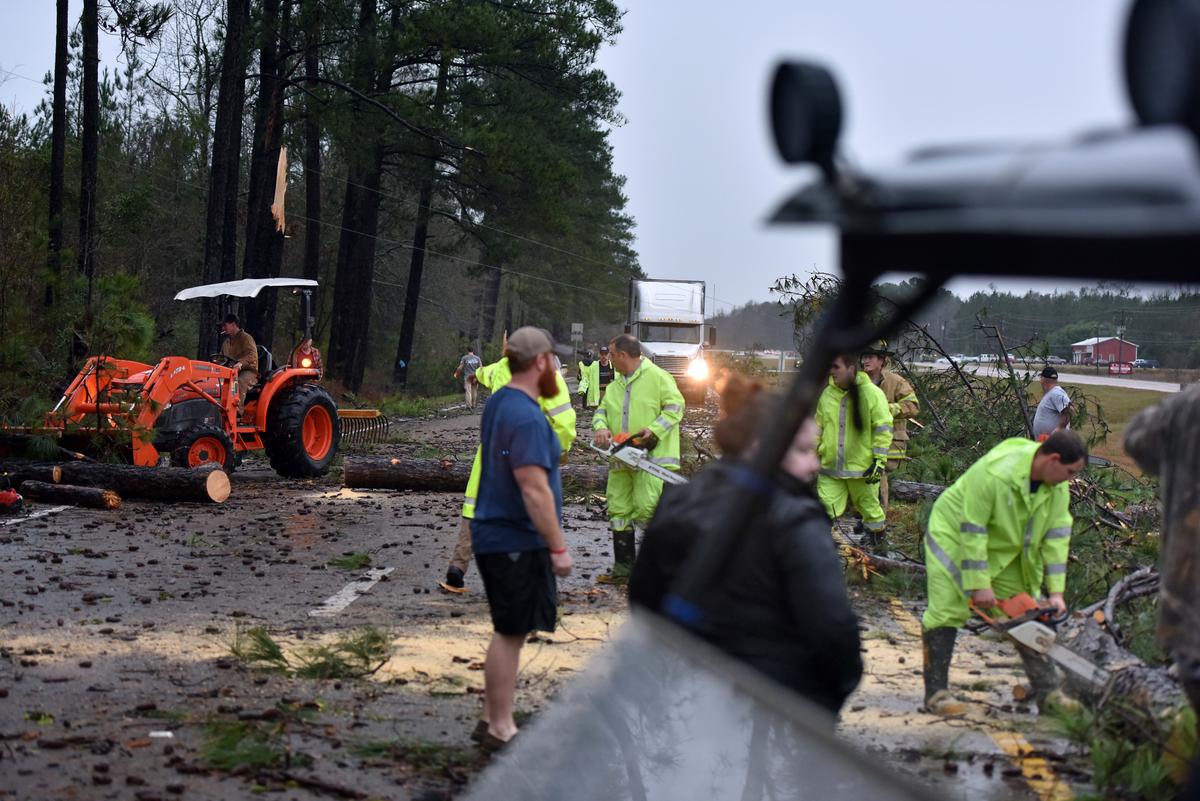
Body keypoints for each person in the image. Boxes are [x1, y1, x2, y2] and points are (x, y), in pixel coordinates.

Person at [631, 376, 863, 715]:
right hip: (775, 706)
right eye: (802, 450)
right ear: (759, 447)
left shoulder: (680, 500)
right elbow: (833, 628)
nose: (814, 464)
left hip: (684, 699)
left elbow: (643, 599)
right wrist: (831, 696)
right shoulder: (795, 518)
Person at [921, 430, 1086, 716]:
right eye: (1069, 472)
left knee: (1025, 612)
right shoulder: (997, 473)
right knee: (947, 609)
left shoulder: (1056, 486)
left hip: (1003, 548)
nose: (1070, 479)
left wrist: (1057, 593)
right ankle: (936, 694)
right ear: (1053, 459)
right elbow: (973, 529)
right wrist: (979, 583)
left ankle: (1049, 695)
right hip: (955, 537)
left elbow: (1057, 537)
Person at [470, 327, 575, 750]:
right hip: (514, 536)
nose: (557, 366)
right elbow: (533, 488)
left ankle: (492, 719)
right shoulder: (528, 416)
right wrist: (558, 546)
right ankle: (500, 727)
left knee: (507, 630)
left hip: (497, 531)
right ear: (540, 363)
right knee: (510, 632)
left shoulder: (501, 401)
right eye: (553, 359)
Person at [440, 350, 575, 593]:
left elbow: (484, 372)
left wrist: (474, 377)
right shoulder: (549, 378)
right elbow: (564, 424)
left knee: (474, 508)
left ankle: (457, 568)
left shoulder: (502, 367)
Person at [591, 334, 684, 579]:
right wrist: (600, 428)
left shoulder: (658, 377)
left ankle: (663, 569)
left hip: (651, 461)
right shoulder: (615, 385)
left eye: (611, 354)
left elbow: (676, 407)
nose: (607, 358)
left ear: (622, 355)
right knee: (619, 511)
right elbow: (601, 411)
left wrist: (654, 431)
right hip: (621, 458)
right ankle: (624, 568)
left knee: (647, 509)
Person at [815, 353, 893, 550]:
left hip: (862, 469)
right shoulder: (827, 394)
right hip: (830, 467)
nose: (832, 372)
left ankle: (877, 546)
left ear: (851, 368)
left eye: (836, 367)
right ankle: (821, 549)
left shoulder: (872, 394)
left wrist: (879, 461)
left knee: (871, 509)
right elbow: (818, 428)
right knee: (824, 510)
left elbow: (883, 429)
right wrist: (811, 453)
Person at [860, 340, 920, 512]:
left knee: (878, 474)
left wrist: (889, 409)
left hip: (890, 442)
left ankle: (878, 520)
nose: (865, 360)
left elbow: (913, 406)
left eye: (870, 357)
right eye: (864, 356)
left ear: (882, 360)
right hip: (862, 441)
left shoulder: (896, 382)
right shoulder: (858, 382)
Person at [219, 314, 258, 415]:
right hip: (231, 371)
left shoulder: (246, 338)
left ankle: (236, 412)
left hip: (248, 371)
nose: (223, 328)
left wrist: (241, 363)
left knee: (238, 382)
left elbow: (252, 355)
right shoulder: (226, 342)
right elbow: (221, 358)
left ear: (233, 324)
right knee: (217, 382)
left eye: (225, 325)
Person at [1032, 366, 1072, 440]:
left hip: (1056, 443)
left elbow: (1067, 412)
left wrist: (1058, 431)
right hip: (1047, 443)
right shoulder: (1052, 393)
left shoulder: (1057, 393)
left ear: (1042, 379)